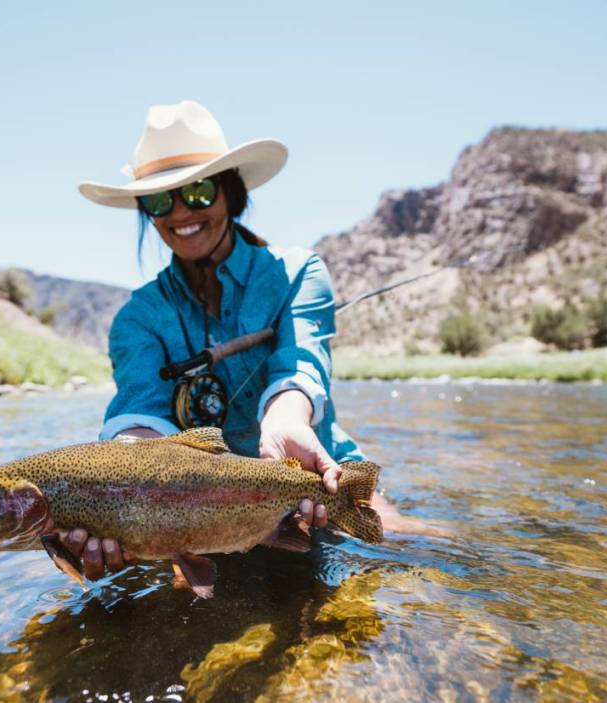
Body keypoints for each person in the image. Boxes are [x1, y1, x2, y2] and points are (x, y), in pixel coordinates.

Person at [65, 100, 406, 580]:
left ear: (230, 193)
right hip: (198, 506)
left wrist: (284, 422)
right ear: (146, 211)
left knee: (406, 548)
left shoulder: (298, 273)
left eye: (198, 192)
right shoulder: (136, 318)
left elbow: (299, 364)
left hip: (316, 476)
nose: (180, 212)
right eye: (160, 200)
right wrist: (119, 484)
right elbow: (138, 411)